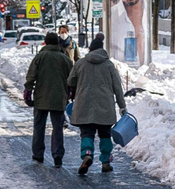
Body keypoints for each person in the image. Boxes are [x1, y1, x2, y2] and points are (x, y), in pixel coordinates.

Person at [67, 33, 127, 176]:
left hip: (84, 104)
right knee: (105, 134)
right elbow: (117, 87)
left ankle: (87, 153)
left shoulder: (80, 63)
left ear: (90, 50)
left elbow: (70, 81)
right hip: (105, 105)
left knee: (87, 132)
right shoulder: (109, 65)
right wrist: (122, 106)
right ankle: (105, 162)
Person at [25, 32, 72, 167]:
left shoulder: (40, 57)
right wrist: (70, 93)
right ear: (57, 43)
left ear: (45, 42)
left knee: (39, 126)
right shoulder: (64, 58)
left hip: (41, 98)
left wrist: (28, 90)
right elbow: (72, 78)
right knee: (57, 127)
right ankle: (57, 156)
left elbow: (31, 76)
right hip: (59, 98)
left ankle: (38, 155)